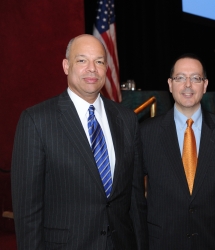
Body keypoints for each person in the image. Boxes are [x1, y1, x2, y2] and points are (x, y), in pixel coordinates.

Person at [11, 34, 148, 250]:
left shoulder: (127, 120)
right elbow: (28, 211)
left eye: (99, 61)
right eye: (82, 60)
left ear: (106, 68)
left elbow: (135, 200)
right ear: (66, 66)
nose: (92, 68)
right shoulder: (36, 121)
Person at [140, 53, 215, 250]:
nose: (188, 84)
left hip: (214, 242)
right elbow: (136, 195)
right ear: (170, 84)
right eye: (180, 78)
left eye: (195, 78)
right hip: (162, 242)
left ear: (205, 85)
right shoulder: (147, 133)